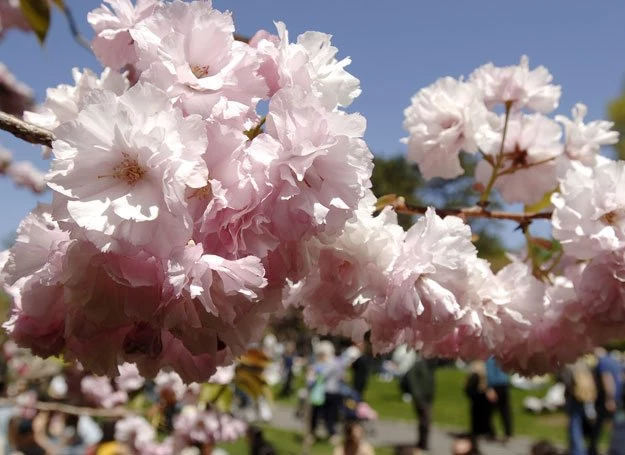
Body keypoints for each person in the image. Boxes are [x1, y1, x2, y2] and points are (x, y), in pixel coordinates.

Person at [307, 341, 346, 443]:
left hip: (330, 393)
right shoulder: (331, 362)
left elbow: (322, 374)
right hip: (322, 393)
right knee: (317, 414)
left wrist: (314, 369)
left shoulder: (333, 363)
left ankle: (332, 434)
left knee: (329, 415)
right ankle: (313, 433)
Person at [590, 347, 623, 455]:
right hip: (617, 398)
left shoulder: (603, 362)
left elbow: (607, 380)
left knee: (601, 425)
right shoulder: (613, 360)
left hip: (606, 400)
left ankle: (595, 449)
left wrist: (609, 399)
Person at [401, 352, 436, 451]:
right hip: (421, 398)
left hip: (427, 398)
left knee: (426, 421)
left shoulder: (429, 366)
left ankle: (423, 442)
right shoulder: (418, 365)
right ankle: (423, 443)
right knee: (425, 420)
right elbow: (413, 381)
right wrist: (417, 396)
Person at [560, 359, 596, 455]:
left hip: (574, 399)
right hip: (586, 398)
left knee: (575, 427)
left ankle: (577, 451)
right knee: (581, 425)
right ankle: (581, 449)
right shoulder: (584, 364)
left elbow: (568, 384)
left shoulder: (568, 365)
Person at [464, 361, 493, 442]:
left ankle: (479, 432)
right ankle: (480, 432)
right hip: (478, 397)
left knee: (479, 416)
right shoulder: (478, 372)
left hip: (478, 398)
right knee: (479, 416)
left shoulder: (477, 372)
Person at [485, 356, 513, 442]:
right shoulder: (502, 356)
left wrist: (490, 388)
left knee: (489, 412)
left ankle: (491, 433)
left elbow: (490, 373)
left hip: (496, 385)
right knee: (505, 410)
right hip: (504, 384)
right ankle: (508, 433)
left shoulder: (490, 357)